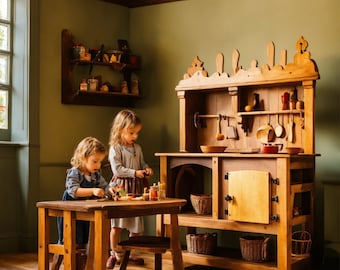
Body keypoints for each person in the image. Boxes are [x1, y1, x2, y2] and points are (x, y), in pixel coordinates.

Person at [51, 137, 112, 270]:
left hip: (84, 214)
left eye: (100, 162)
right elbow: (74, 191)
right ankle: (56, 265)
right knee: (67, 240)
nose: (98, 165)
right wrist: (93, 190)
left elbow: (105, 186)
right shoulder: (75, 172)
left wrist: (110, 190)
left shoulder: (95, 175)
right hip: (70, 213)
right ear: (83, 157)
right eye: (94, 161)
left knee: (82, 243)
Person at [106, 109, 153, 269]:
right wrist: (135, 173)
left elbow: (142, 163)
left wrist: (146, 169)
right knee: (117, 224)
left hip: (136, 188)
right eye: (131, 132)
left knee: (135, 224)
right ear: (120, 130)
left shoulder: (137, 148)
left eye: (137, 133)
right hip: (121, 188)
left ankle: (130, 253)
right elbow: (117, 170)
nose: (135, 136)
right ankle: (114, 253)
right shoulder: (115, 148)